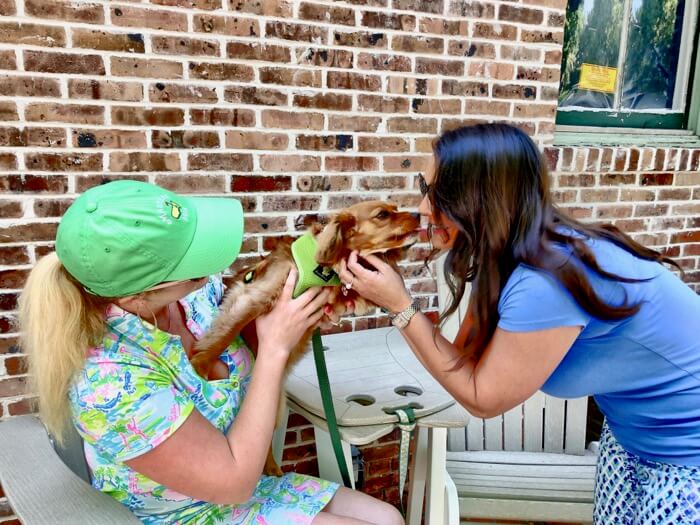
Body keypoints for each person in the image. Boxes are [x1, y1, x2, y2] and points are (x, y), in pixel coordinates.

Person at [338, 123, 700, 524]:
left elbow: (482, 397)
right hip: (632, 440)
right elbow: (463, 359)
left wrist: (399, 304)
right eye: (425, 188)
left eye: (437, 193)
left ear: (481, 199)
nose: (423, 207)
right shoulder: (508, 257)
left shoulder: (546, 277)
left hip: (687, 463)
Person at [19, 180, 403, 525]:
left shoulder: (196, 297)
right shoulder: (110, 380)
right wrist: (274, 348)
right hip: (188, 510)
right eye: (194, 261)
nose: (214, 263)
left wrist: (302, 314)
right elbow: (232, 483)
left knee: (387, 517)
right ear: (138, 295)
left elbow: (252, 337)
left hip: (254, 487)